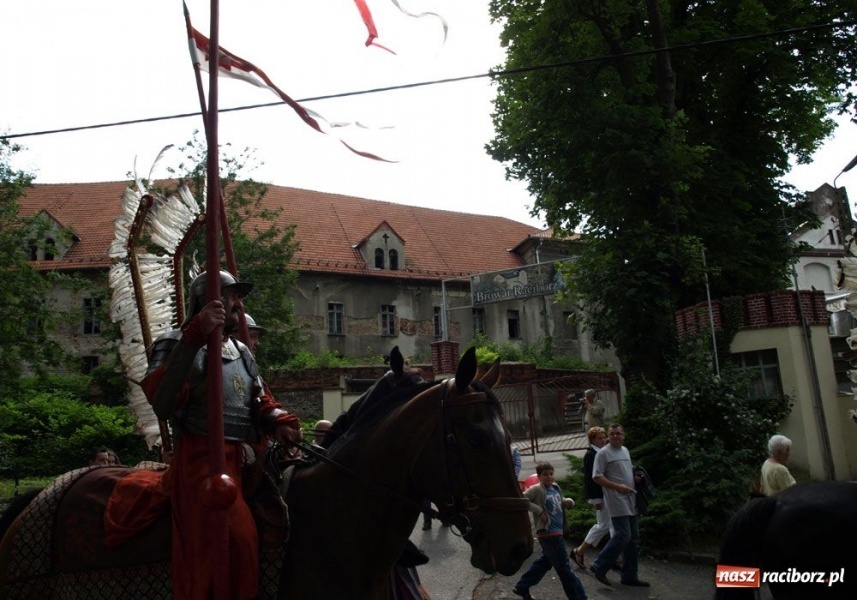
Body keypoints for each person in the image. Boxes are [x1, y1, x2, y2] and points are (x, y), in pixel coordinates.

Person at [140, 270, 302, 600]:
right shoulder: (176, 342)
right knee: (232, 539)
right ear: (206, 300)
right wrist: (195, 336)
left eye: (239, 298)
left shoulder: (241, 351)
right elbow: (162, 401)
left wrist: (278, 422)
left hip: (245, 462)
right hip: (201, 461)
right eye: (230, 296)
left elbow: (259, 399)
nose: (238, 305)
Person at [512, 461, 588, 600]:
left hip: (557, 531)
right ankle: (579, 597)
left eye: (551, 474)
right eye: (545, 474)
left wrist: (567, 501)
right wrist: (539, 511)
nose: (549, 477)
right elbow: (522, 499)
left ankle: (522, 586)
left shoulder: (555, 487)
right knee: (565, 569)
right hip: (548, 534)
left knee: (546, 562)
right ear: (539, 476)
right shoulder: (536, 489)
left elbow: (560, 500)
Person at [589, 423, 649, 588]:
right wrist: (618, 487)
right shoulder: (602, 453)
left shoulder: (625, 451)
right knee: (623, 535)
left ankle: (629, 576)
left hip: (630, 499)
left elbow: (625, 470)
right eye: (612, 434)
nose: (615, 436)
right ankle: (599, 565)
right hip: (616, 500)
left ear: (623, 435)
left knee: (633, 538)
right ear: (608, 436)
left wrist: (635, 478)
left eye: (618, 433)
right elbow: (597, 477)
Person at [571, 427, 609, 569]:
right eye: (600, 438)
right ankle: (580, 551)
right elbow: (590, 479)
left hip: (609, 494)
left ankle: (616, 558)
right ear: (592, 440)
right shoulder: (591, 454)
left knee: (612, 525)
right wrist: (596, 499)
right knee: (603, 525)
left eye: (604, 437)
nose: (603, 440)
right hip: (601, 495)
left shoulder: (602, 452)